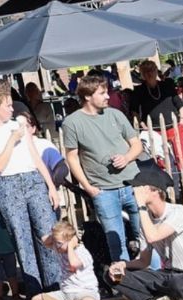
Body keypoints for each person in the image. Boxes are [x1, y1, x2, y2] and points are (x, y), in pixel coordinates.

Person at [0, 87, 61, 297]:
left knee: (46, 233)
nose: (12, 109)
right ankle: (34, 290)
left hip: (32, 179)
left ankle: (54, 286)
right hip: (8, 184)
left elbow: (35, 156)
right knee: (22, 238)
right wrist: (12, 139)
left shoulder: (18, 124)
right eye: (7, 105)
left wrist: (50, 186)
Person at [108, 166, 183, 300]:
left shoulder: (178, 212)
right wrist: (123, 264)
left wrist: (141, 206)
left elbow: (153, 236)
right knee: (111, 275)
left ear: (154, 191)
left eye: (138, 188)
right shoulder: (146, 220)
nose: (133, 191)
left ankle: (161, 296)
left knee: (176, 283)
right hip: (166, 275)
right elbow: (143, 261)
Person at [62, 76, 145, 265]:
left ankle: (154, 274)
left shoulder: (115, 114)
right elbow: (72, 157)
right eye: (102, 93)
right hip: (104, 189)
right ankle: (125, 282)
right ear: (88, 96)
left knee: (145, 235)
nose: (108, 96)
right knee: (116, 241)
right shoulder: (72, 122)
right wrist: (88, 187)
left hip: (132, 183)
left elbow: (136, 144)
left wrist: (127, 158)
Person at [31, 221, 100, 300]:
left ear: (70, 241)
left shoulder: (82, 252)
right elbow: (44, 240)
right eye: (55, 242)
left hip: (85, 291)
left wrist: (70, 246)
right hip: (66, 293)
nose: (56, 246)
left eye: (59, 243)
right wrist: (55, 235)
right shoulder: (60, 249)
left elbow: (73, 264)